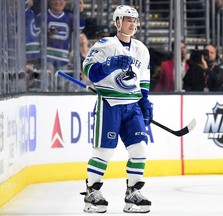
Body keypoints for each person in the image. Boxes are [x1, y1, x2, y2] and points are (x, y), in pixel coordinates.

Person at [82, 5, 153, 214]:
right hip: (110, 104)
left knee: (140, 149)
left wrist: (145, 102)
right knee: (104, 150)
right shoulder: (105, 45)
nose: (132, 23)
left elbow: (144, 80)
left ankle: (133, 193)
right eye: (128, 19)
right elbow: (89, 72)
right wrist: (108, 65)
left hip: (132, 106)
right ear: (117, 22)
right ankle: (92, 192)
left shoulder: (141, 49)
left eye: (135, 20)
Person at [37, 0, 86, 73]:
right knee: (47, 81)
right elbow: (35, 35)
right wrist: (45, 33)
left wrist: (80, 12)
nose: (57, 2)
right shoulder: (42, 16)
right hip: (46, 57)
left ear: (66, 2)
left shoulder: (70, 17)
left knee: (61, 83)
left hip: (63, 58)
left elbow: (80, 27)